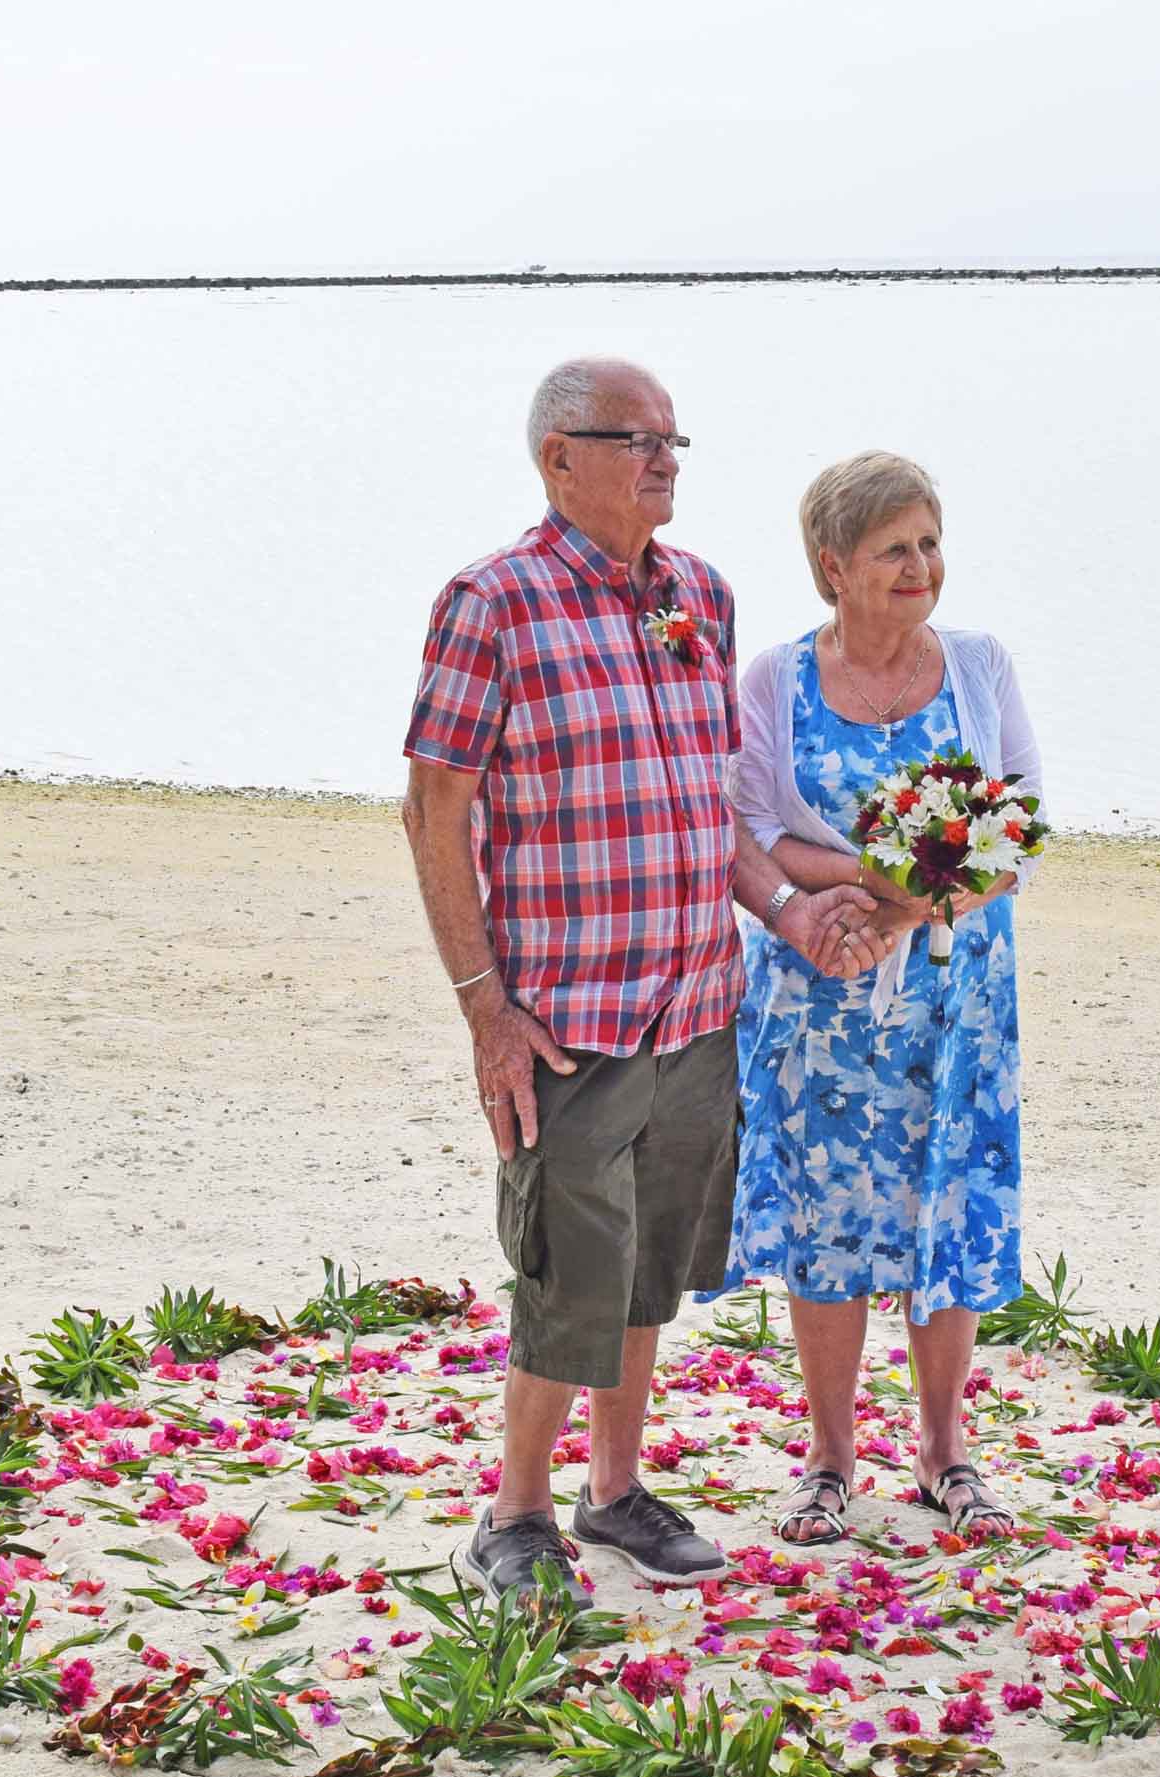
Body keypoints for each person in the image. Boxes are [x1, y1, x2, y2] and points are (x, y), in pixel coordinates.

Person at [402, 357, 890, 1607]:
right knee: (567, 1270)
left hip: (698, 1004)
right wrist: (483, 1005)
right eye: (637, 439)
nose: (665, 459)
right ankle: (514, 1514)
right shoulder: (493, 602)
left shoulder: (699, 596)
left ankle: (613, 1490)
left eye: (675, 439)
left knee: (651, 1265)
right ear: (559, 458)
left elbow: (708, 805)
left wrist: (785, 909)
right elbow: (433, 810)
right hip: (568, 1018)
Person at [717, 450, 1042, 1548]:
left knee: (945, 1204)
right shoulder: (774, 680)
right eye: (894, 548)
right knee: (828, 1218)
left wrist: (903, 912)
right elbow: (757, 828)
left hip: (955, 997)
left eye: (930, 543)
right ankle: (828, 1457)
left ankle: (946, 1451)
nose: (921, 567)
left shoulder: (980, 666)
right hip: (821, 986)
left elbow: (1019, 829)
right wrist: (855, 893)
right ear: (832, 566)